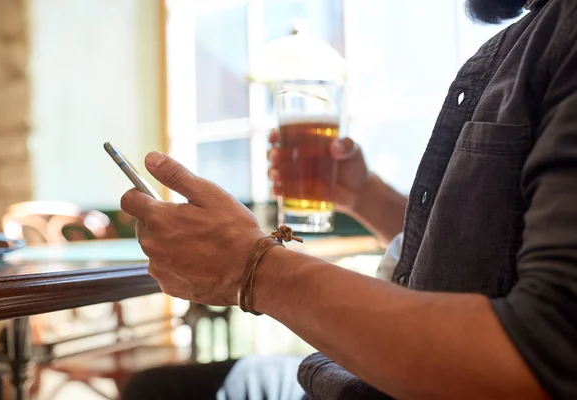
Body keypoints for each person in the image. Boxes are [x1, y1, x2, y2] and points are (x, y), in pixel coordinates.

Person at [119, 0, 577, 398]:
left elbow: (542, 355)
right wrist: (363, 194)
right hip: (353, 369)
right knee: (159, 387)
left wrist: (252, 268)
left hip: (377, 379)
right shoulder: (532, 34)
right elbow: (479, 258)